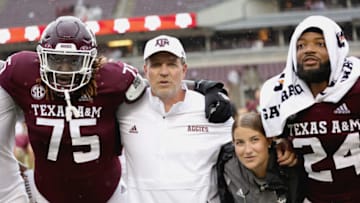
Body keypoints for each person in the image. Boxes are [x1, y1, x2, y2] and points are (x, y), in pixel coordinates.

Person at [0, 16, 232, 203]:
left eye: (73, 61)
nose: (64, 70)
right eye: (56, 60)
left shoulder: (113, 80)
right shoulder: (21, 72)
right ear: (41, 59)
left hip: (109, 194)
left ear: (92, 61)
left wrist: (200, 86)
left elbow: (157, 84)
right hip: (45, 194)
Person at [117, 34, 234, 203]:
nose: (164, 72)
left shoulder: (210, 109)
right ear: (145, 70)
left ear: (184, 69)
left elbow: (249, 144)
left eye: (171, 64)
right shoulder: (126, 110)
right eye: (156, 65)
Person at [259, 15, 360, 202]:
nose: (308, 50)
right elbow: (269, 142)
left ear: (336, 49)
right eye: (301, 46)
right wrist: (284, 147)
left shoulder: (356, 86)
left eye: (320, 44)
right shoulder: (282, 97)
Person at [216, 112, 304, 203]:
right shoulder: (228, 166)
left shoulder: (289, 169)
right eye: (240, 142)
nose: (248, 150)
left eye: (255, 140)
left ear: (269, 140)